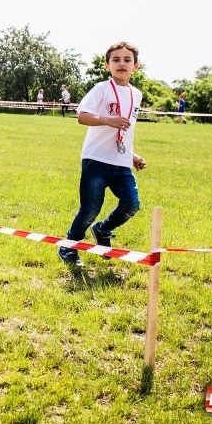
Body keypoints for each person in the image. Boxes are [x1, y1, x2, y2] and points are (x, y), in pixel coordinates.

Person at [60, 41, 147, 268]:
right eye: (116, 60)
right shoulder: (102, 89)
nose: (121, 64)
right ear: (107, 65)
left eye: (127, 60)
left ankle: (103, 229)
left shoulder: (136, 94)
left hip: (121, 163)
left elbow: (126, 131)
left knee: (132, 204)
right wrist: (108, 120)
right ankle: (69, 247)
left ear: (135, 66)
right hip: (96, 161)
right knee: (90, 209)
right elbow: (82, 116)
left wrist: (132, 155)